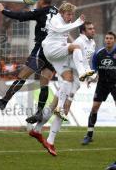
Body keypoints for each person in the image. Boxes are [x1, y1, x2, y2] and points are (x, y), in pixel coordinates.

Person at [28, 21, 96, 156]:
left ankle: (37, 129)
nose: (93, 30)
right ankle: (50, 140)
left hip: (76, 80)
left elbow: (85, 62)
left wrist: (88, 76)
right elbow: (70, 60)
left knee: (56, 106)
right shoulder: (79, 42)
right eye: (90, 28)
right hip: (68, 77)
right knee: (63, 109)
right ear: (83, 31)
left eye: (93, 28)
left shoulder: (92, 43)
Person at [0, 0, 58, 122]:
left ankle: (4, 101)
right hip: (54, 51)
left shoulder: (40, 11)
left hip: (42, 48)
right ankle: (39, 113)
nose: (37, 2)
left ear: (42, 0)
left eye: (38, 0)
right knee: (45, 82)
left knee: (22, 76)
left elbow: (21, 15)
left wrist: (3, 10)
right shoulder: (57, 11)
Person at [82, 31, 116, 145]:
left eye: (111, 38)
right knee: (95, 107)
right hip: (102, 84)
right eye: (106, 38)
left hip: (115, 84)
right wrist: (91, 78)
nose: (108, 40)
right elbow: (94, 69)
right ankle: (89, 135)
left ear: (114, 40)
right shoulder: (99, 53)